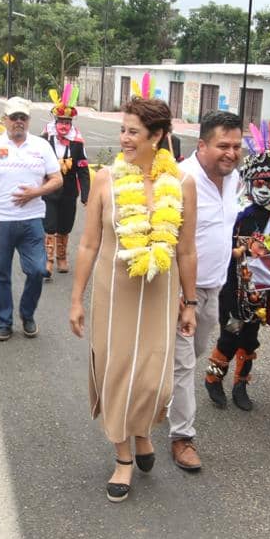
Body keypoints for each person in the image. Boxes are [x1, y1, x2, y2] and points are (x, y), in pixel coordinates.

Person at [68, 95, 198, 502]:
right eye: (123, 129)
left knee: (154, 382)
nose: (124, 138)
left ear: (158, 136)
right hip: (113, 294)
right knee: (116, 371)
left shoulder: (181, 184)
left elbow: (187, 250)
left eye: (133, 132)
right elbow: (88, 244)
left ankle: (142, 430)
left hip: (160, 295)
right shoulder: (106, 178)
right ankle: (123, 455)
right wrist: (76, 299)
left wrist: (190, 302)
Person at [168, 110, 243, 472]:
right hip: (183, 290)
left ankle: (153, 396)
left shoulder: (235, 180)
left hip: (216, 286)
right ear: (201, 145)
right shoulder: (181, 178)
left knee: (191, 355)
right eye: (222, 146)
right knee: (183, 365)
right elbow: (168, 239)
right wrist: (181, 293)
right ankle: (182, 437)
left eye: (236, 146)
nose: (231, 153)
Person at [204, 139, 270, 413]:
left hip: (263, 283)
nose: (267, 189)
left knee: (252, 336)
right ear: (249, 181)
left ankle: (241, 383)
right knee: (231, 332)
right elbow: (216, 246)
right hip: (232, 283)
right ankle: (213, 377)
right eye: (261, 183)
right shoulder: (236, 212)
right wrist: (240, 250)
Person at [0, 96, 61, 341]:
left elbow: (57, 179)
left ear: (29, 120)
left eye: (22, 117)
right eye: (13, 117)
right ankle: (4, 321)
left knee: (37, 271)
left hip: (32, 220)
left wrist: (36, 192)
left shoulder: (41, 146)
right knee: (0, 272)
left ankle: (27, 313)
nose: (18, 122)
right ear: (4, 120)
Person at [41, 83, 91, 279]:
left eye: (67, 123)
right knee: (49, 225)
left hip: (70, 193)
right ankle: (49, 260)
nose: (64, 126)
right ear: (55, 122)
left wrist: (86, 194)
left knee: (65, 225)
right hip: (49, 191)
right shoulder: (45, 139)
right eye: (61, 122)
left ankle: (62, 257)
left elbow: (84, 170)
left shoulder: (78, 143)